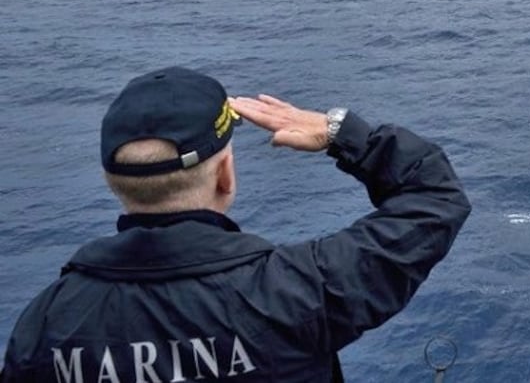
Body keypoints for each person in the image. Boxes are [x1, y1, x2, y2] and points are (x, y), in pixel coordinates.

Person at [0, 66, 471, 382]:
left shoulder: (46, 322)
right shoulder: (296, 291)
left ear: (112, 181)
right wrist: (340, 132)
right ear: (225, 173)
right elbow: (434, 197)